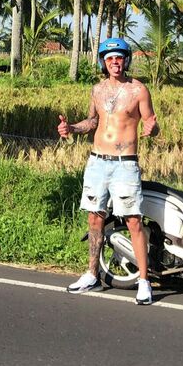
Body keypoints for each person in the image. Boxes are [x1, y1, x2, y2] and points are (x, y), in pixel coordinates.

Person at [57, 37, 158, 305]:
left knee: (134, 221)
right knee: (95, 218)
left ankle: (144, 281)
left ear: (126, 60)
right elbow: (92, 121)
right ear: (104, 61)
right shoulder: (97, 90)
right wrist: (72, 129)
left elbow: (150, 122)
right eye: (110, 58)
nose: (115, 62)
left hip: (125, 163)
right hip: (97, 162)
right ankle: (92, 274)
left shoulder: (138, 91)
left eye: (120, 57)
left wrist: (151, 129)